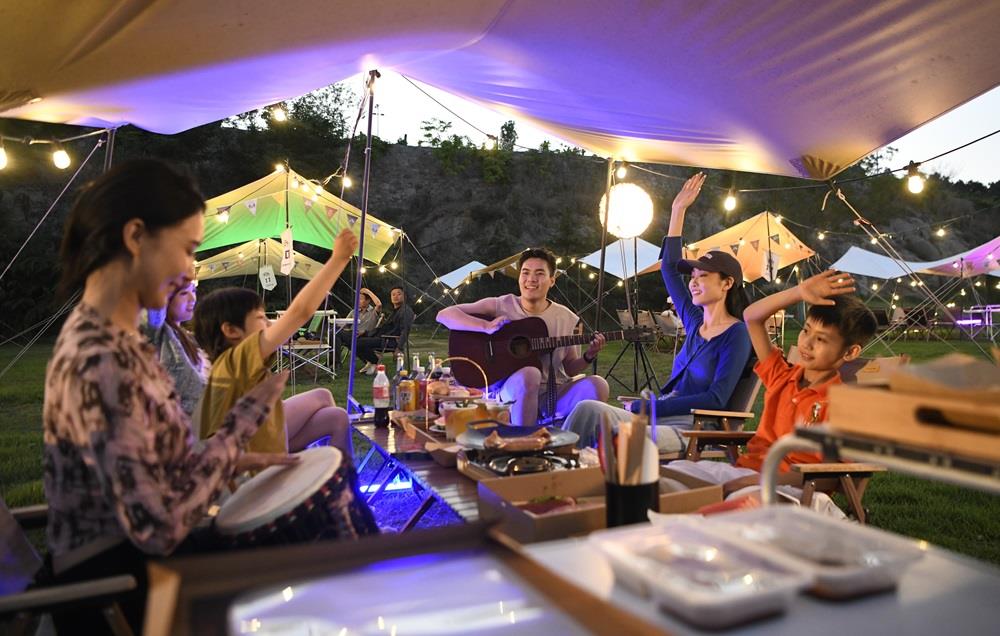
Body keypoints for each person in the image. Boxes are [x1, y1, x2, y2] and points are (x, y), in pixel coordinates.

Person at [42, 159, 294, 633]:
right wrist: (237, 432)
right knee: (306, 557)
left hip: (139, 562)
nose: (189, 270)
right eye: (188, 249)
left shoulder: (116, 337)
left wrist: (235, 457)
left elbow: (149, 469)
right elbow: (158, 527)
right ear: (136, 236)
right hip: (120, 589)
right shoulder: (100, 359)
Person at [564, 173, 752, 451]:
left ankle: (588, 472)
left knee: (617, 435)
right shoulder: (696, 322)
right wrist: (678, 210)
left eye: (703, 276)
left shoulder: (737, 335)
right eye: (693, 276)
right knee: (586, 409)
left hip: (692, 426)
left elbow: (716, 399)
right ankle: (558, 467)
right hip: (660, 415)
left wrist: (652, 408)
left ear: (727, 283)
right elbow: (670, 269)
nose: (693, 282)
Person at [668, 269, 878, 504]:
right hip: (746, 475)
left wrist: (759, 481)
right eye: (806, 330)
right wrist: (799, 292)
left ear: (850, 352)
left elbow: (834, 478)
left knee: (725, 501)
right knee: (672, 474)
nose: (807, 343)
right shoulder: (781, 376)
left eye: (821, 339)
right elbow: (751, 317)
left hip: (795, 492)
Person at [194, 227, 359, 457]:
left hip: (265, 436)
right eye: (260, 318)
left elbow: (287, 325)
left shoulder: (237, 362)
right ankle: (317, 472)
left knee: (336, 416)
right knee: (325, 402)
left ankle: (337, 475)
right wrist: (338, 259)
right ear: (230, 330)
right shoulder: (235, 360)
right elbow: (300, 312)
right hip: (253, 461)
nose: (269, 323)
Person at [437, 248, 609, 426]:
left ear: (552, 280)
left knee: (599, 385)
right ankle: (524, 437)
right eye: (525, 273)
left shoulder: (565, 317)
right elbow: (444, 315)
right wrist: (485, 326)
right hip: (511, 391)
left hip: (552, 394)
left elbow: (570, 369)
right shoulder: (502, 305)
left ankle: (574, 437)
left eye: (539, 273)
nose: (531, 279)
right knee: (530, 373)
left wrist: (589, 355)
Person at [142, 281, 209, 419]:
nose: (192, 299)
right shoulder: (157, 334)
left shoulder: (187, 337)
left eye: (193, 291)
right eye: (183, 293)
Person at [355, 285, 415, 375]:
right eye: (393, 294)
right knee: (354, 340)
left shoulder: (405, 311)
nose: (395, 296)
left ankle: (376, 362)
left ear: (404, 296)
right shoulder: (395, 311)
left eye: (399, 294)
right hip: (382, 337)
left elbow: (405, 330)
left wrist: (399, 348)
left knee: (357, 343)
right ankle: (372, 363)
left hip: (389, 340)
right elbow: (385, 328)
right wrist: (365, 332)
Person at [335, 286, 381, 363]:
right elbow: (344, 324)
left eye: (360, 299)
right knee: (334, 331)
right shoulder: (354, 312)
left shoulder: (373, 311)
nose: (358, 301)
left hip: (366, 336)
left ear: (368, 300)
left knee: (337, 334)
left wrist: (367, 291)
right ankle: (334, 361)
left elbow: (379, 304)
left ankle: (334, 362)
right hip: (352, 334)